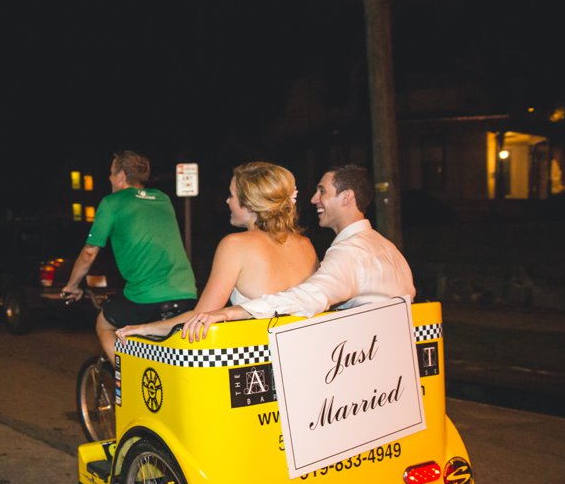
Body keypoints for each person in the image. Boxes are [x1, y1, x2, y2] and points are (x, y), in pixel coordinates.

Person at [182, 164, 415, 341]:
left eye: (322, 191)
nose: (313, 199)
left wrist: (230, 313)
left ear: (347, 197)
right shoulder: (387, 248)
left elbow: (310, 297)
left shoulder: (350, 252)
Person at [114, 162, 318, 342]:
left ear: (249, 203)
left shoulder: (236, 245)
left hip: (256, 363)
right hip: (299, 356)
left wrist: (143, 328)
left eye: (231, 195)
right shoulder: (306, 245)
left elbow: (201, 316)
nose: (226, 201)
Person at [62, 150, 198, 363]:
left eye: (111, 173)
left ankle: (125, 379)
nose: (109, 178)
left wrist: (72, 286)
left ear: (122, 176)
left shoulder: (112, 203)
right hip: (186, 291)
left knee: (104, 325)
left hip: (145, 294)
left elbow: (89, 253)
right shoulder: (163, 199)